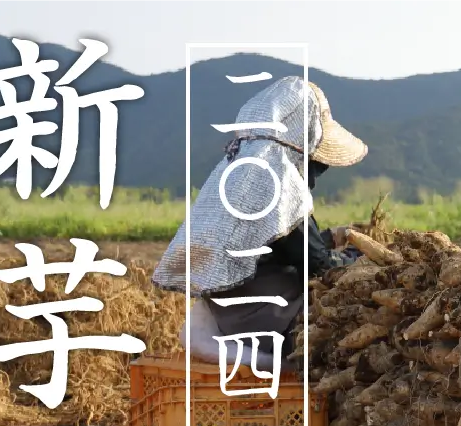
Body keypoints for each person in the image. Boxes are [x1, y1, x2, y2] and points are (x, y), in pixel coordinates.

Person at [152, 76, 367, 368]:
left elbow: (273, 243)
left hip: (231, 316)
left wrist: (333, 236)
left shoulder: (238, 174)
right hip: (270, 321)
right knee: (355, 312)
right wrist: (362, 261)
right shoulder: (278, 182)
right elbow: (319, 266)